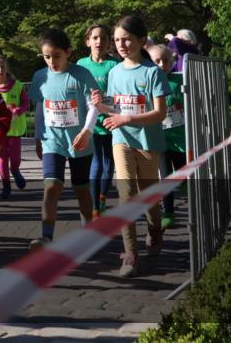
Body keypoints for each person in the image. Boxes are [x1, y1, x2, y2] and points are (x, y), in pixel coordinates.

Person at [98, 15, 171, 278]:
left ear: (141, 40)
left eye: (127, 39)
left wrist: (128, 118)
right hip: (121, 142)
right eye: (117, 40)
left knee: (147, 196)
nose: (121, 44)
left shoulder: (153, 72)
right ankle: (130, 254)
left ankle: (154, 229)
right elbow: (113, 106)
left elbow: (160, 113)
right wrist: (100, 104)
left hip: (148, 143)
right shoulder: (114, 72)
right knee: (126, 196)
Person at [26, 29, 101, 250]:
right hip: (52, 141)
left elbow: (93, 106)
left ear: (68, 52)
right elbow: (40, 108)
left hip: (79, 141)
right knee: (51, 187)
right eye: (47, 57)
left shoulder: (81, 74)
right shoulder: (40, 76)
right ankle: (46, 237)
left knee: (81, 189)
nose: (52, 61)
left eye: (57, 56)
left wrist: (87, 131)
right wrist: (39, 137)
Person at [76, 24, 122, 219]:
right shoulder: (81, 64)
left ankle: (102, 198)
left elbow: (119, 96)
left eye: (103, 38)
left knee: (108, 164)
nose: (99, 41)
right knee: (95, 165)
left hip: (111, 121)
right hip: (90, 124)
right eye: (95, 38)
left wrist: (104, 103)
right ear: (88, 41)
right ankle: (95, 207)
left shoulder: (114, 65)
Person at [149, 44, 186, 229]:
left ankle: (187, 187)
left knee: (182, 174)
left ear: (172, 61)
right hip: (160, 139)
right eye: (157, 61)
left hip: (179, 138)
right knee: (165, 177)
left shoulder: (179, 81)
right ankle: (168, 212)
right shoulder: (149, 83)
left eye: (165, 61)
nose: (162, 65)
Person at [0, 54, 30, 199]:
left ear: (6, 68)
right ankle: (6, 185)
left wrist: (18, 110)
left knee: (15, 159)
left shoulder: (17, 85)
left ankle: (15, 170)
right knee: (2, 159)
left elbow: (26, 103)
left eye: (2, 66)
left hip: (15, 130)